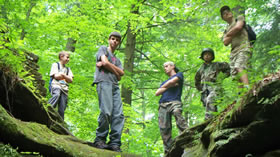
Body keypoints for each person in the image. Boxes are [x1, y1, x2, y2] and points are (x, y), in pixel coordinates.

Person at [92, 32, 125, 152]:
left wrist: (107, 66)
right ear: (109, 39)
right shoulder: (103, 49)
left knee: (119, 115)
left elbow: (121, 74)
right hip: (103, 82)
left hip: (115, 86)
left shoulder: (117, 59)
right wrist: (115, 71)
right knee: (106, 111)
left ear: (119, 43)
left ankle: (114, 143)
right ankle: (100, 140)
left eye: (117, 40)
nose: (114, 41)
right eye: (112, 39)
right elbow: (105, 63)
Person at [155, 61, 188, 154]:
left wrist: (166, 86)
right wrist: (169, 85)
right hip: (163, 104)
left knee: (178, 114)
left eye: (166, 66)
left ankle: (187, 137)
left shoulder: (179, 75)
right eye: (164, 66)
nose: (165, 68)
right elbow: (157, 93)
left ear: (172, 66)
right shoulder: (164, 82)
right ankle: (168, 150)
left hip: (175, 102)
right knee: (164, 128)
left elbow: (173, 81)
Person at [220, 5, 252, 87]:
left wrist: (228, 35)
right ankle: (242, 95)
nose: (227, 13)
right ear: (223, 18)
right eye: (224, 13)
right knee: (235, 75)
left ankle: (247, 88)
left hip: (244, 47)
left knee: (239, 66)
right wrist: (231, 33)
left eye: (228, 11)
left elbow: (238, 27)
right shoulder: (226, 29)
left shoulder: (239, 18)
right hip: (233, 53)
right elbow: (225, 42)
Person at [195, 48, 230, 120]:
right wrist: (201, 89)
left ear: (212, 56)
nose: (207, 56)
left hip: (215, 88)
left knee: (210, 100)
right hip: (205, 91)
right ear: (202, 56)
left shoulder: (217, 65)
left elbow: (229, 68)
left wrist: (221, 77)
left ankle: (208, 120)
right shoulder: (200, 69)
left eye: (209, 54)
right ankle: (214, 121)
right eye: (205, 54)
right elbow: (197, 81)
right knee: (210, 105)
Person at [48, 51, 74, 120]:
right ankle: (48, 108)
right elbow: (56, 76)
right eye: (67, 57)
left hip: (65, 89)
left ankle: (60, 121)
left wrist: (63, 75)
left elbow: (71, 80)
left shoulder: (68, 69)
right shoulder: (56, 65)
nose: (68, 59)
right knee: (56, 95)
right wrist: (66, 77)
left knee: (62, 107)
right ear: (61, 57)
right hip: (56, 85)